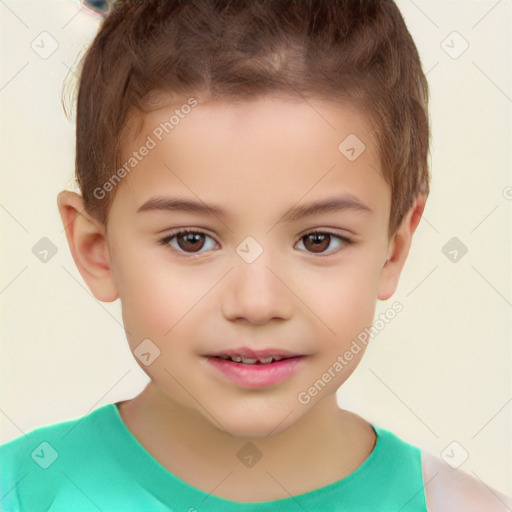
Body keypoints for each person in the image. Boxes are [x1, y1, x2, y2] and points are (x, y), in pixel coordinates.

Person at [1, 1, 510, 510]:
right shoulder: (22, 492)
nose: (257, 302)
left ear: (394, 249)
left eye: (319, 240)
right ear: (98, 251)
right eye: (191, 240)